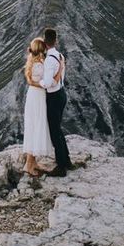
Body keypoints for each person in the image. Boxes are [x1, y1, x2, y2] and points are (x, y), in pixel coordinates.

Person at [22, 37, 63, 176]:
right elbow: (49, 82)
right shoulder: (41, 64)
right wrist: (60, 69)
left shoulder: (31, 62)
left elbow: (31, 81)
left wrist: (34, 84)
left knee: (33, 127)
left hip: (33, 96)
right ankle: (29, 165)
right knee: (37, 127)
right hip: (38, 97)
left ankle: (32, 162)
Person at [40, 27, 72, 177]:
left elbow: (47, 83)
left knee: (54, 131)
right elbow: (59, 78)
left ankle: (61, 166)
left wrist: (37, 82)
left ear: (45, 43)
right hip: (62, 94)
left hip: (53, 97)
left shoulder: (48, 60)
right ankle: (67, 161)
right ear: (56, 40)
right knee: (58, 129)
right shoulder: (60, 56)